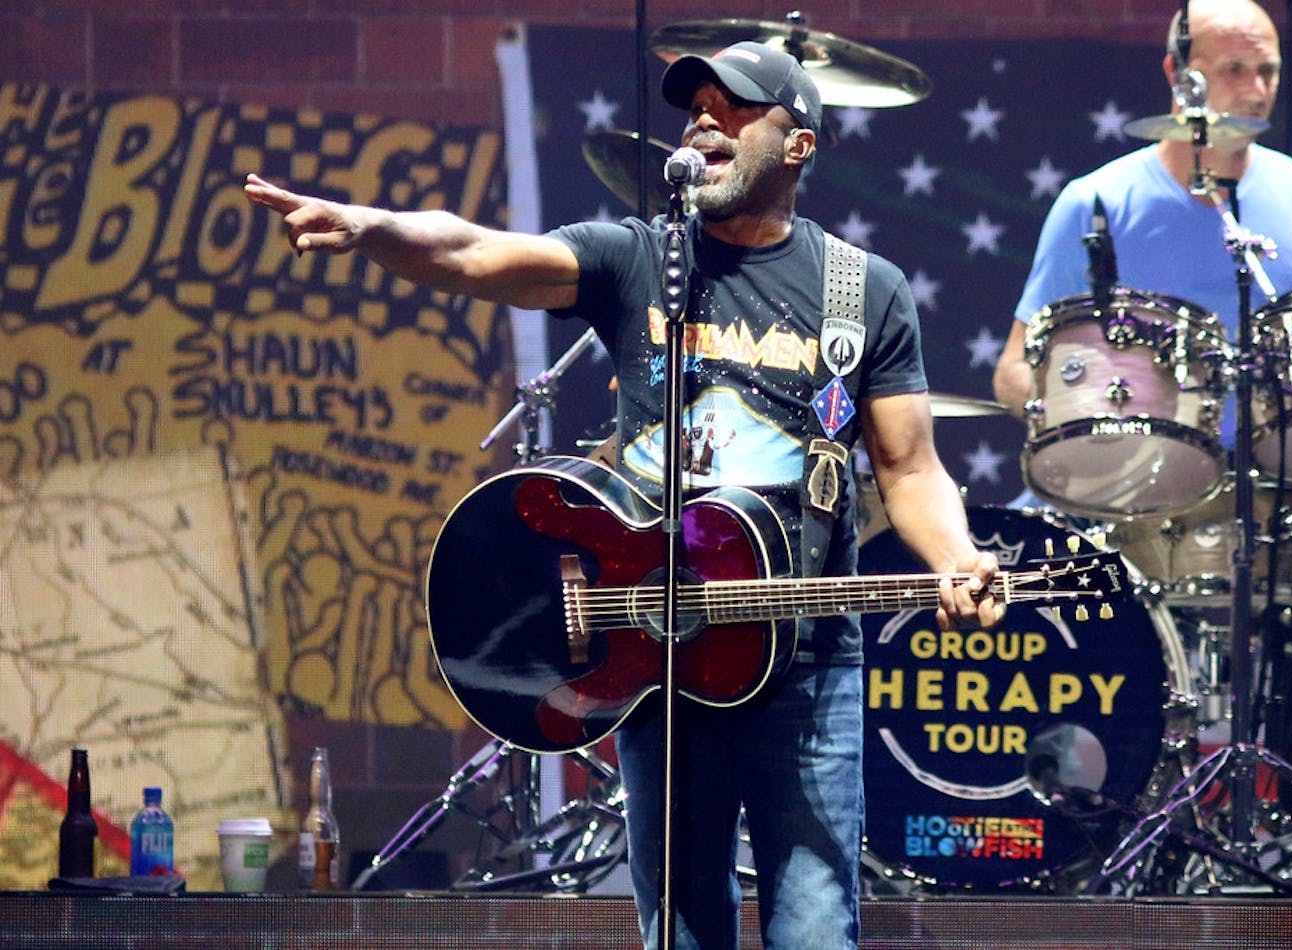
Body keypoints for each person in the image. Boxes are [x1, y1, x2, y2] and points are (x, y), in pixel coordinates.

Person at [247, 41, 1004, 949]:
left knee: (812, 927)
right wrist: (371, 227)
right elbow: (478, 252)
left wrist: (956, 559)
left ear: (797, 144)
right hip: (666, 658)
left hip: (803, 664)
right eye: (696, 107)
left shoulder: (862, 291)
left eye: (735, 106)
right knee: (682, 931)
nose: (705, 120)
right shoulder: (641, 257)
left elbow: (910, 468)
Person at [992, 0, 1292, 800]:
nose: (1256, 90)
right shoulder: (1096, 203)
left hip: (1277, 482)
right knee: (1011, 562)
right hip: (1130, 485)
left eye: (1268, 71)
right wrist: (1078, 422)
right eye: (1235, 69)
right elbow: (1016, 369)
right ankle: (1042, 813)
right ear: (1178, 75)